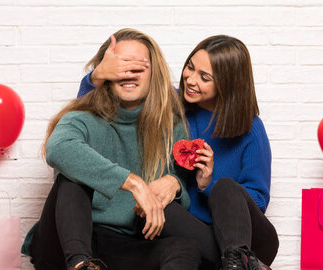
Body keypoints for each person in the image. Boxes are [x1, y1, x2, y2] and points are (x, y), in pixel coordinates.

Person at [78, 35, 279, 270]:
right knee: (161, 209)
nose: (191, 80)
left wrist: (207, 185)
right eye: (190, 68)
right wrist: (98, 75)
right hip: (195, 237)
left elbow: (259, 200)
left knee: (225, 186)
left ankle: (238, 259)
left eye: (204, 77)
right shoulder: (170, 105)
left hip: (248, 239)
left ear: (227, 83)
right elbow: (88, 110)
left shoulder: (251, 128)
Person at [21, 28, 203, 270]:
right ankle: (80, 265)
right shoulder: (82, 117)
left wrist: (175, 182)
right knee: (73, 175)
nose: (128, 73)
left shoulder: (171, 125)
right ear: (105, 72)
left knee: (185, 249)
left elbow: (179, 190)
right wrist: (133, 183)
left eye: (138, 67)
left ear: (153, 74)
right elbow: (58, 148)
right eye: (120, 66)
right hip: (67, 243)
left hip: (123, 244)